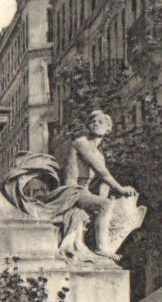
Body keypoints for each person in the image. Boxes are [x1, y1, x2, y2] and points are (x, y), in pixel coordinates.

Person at [49, 111, 139, 259]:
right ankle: (101, 248)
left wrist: (102, 200)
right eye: (93, 122)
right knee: (106, 205)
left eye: (100, 122)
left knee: (106, 204)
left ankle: (104, 246)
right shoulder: (81, 143)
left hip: (84, 193)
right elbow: (102, 172)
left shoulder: (99, 154)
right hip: (72, 191)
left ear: (108, 128)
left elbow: (104, 182)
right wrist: (121, 189)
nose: (95, 124)